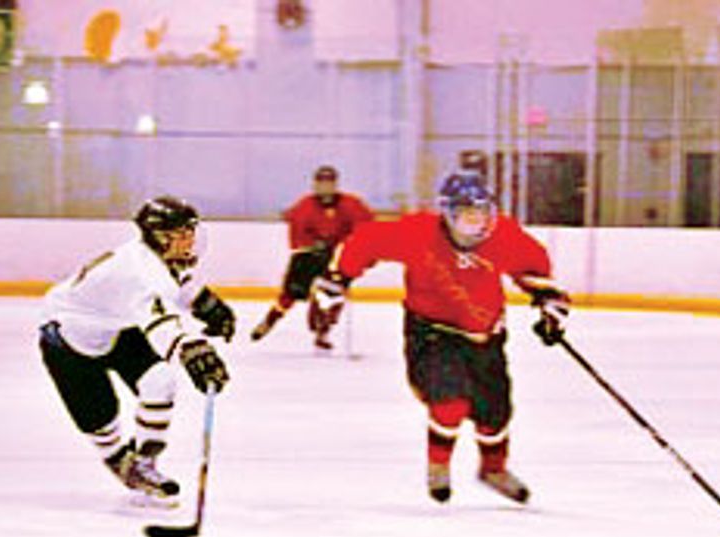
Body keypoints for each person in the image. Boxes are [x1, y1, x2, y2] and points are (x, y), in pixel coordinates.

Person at [309, 169, 569, 505]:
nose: (476, 223)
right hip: (432, 332)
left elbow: (533, 268)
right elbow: (364, 241)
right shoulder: (418, 232)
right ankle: (439, 465)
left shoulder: (504, 234)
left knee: (495, 414)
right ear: (447, 214)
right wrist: (338, 278)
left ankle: (493, 470)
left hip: (486, 336)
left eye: (481, 213)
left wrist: (549, 304)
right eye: (466, 215)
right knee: (449, 402)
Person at [39, 195, 232, 505]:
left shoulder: (153, 258)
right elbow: (160, 323)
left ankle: (143, 464)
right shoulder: (142, 273)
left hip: (116, 328)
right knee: (102, 423)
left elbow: (176, 284)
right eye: (182, 233)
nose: (191, 240)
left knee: (160, 380)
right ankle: (118, 460)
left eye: (191, 231)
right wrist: (191, 349)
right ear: (160, 237)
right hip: (70, 340)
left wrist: (207, 306)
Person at [250, 164, 373, 350]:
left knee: (333, 294)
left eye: (329, 182)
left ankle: (322, 331)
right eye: (321, 183)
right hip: (309, 256)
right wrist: (312, 246)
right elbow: (297, 235)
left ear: (335, 184)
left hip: (338, 257)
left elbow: (365, 228)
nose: (325, 187)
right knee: (291, 294)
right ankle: (269, 321)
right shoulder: (305, 206)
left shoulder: (351, 204)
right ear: (315, 185)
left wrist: (356, 248)